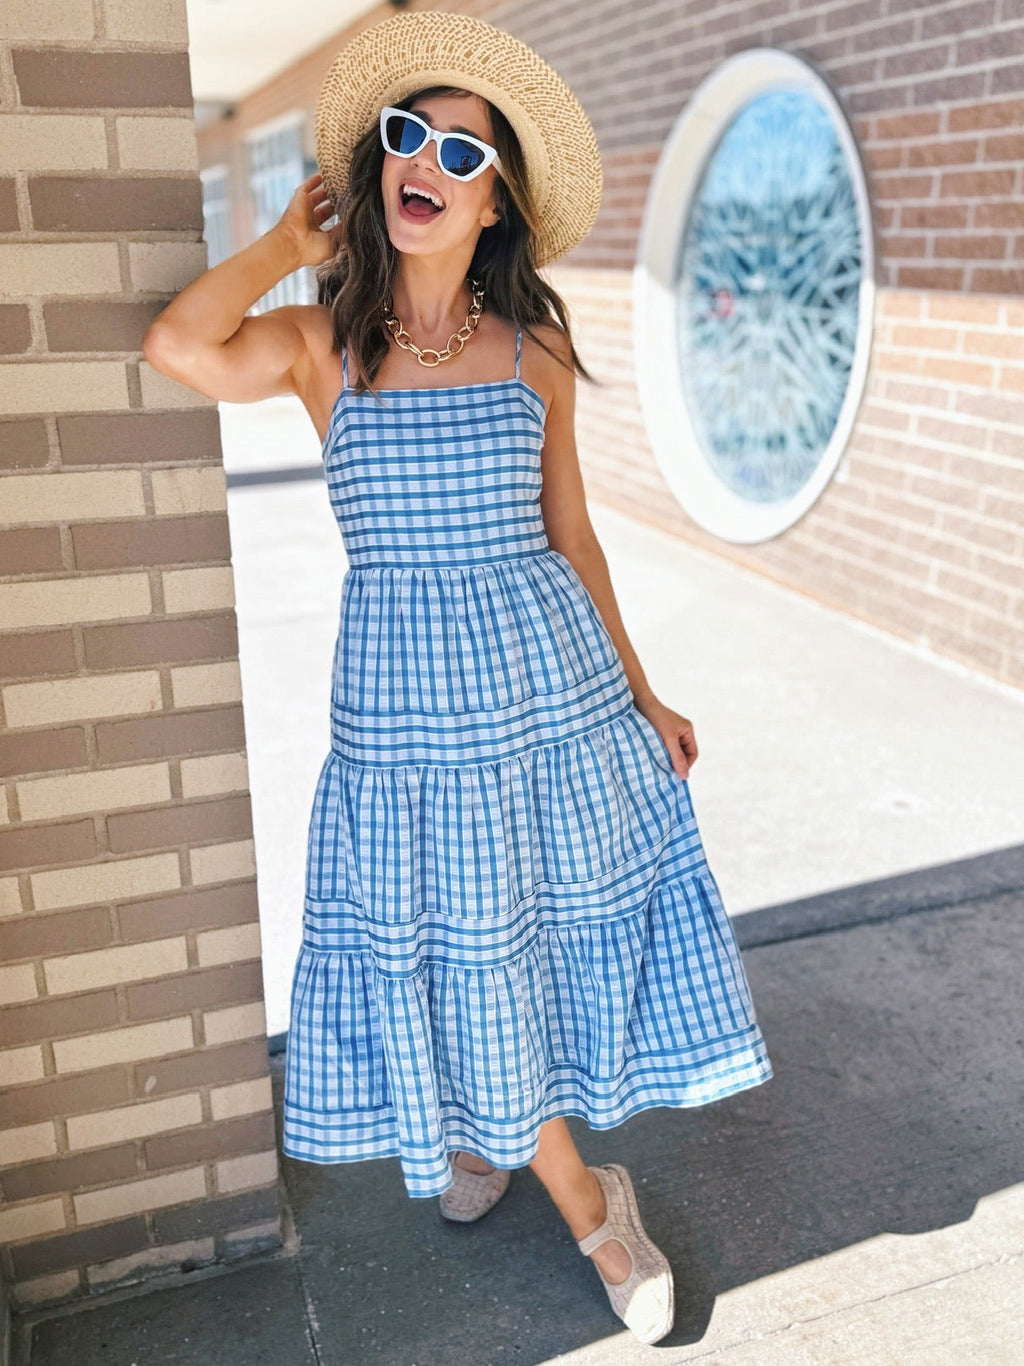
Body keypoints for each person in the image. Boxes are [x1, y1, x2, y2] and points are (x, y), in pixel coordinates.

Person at [143, 10, 772, 1346]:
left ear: (495, 206)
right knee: (445, 950)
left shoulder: (532, 352)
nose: (424, 160)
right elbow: (180, 348)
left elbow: (576, 538)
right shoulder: (327, 347)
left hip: (542, 696)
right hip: (404, 715)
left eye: (462, 151)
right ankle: (546, 1157)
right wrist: (278, 246)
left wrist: (644, 693)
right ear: (379, 173)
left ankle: (587, 1194)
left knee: (513, 944)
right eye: (405, 137)